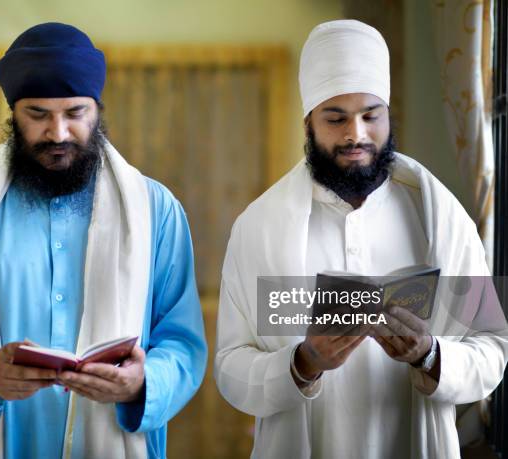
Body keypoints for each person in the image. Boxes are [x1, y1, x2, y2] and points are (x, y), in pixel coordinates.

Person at [0, 22, 207, 459]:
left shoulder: (156, 209)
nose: (58, 133)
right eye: (38, 115)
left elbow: (182, 343)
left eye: (75, 113)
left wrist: (143, 383)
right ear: (12, 115)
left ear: (98, 110)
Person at [214, 19, 508, 458]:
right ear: (309, 122)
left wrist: (429, 354)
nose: (356, 134)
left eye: (371, 116)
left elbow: (492, 350)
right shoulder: (258, 226)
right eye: (336, 118)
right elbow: (230, 366)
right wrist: (302, 364)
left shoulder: (440, 218)